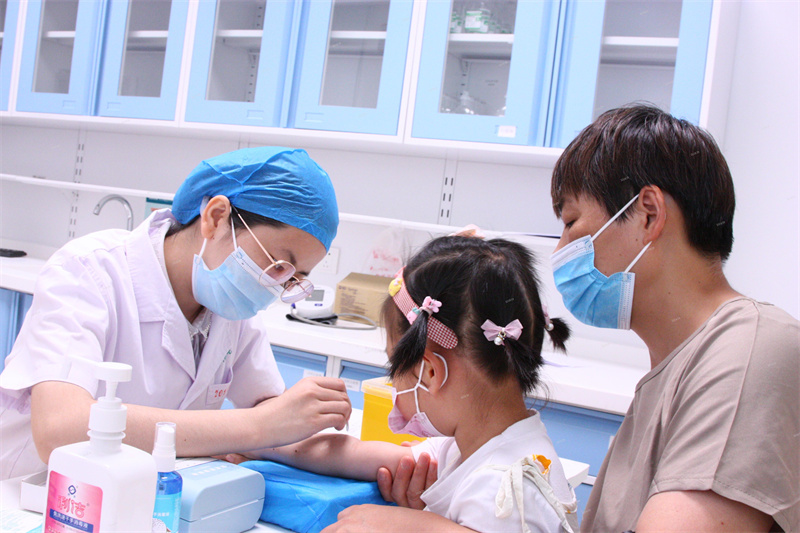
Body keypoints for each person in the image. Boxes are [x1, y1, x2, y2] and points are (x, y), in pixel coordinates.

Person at [0, 146, 352, 480]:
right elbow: (61, 429)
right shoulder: (89, 271)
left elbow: (280, 424)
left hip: (140, 496)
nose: (275, 287)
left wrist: (386, 459)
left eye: (292, 279)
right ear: (216, 217)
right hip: (32, 492)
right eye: (278, 265)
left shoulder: (232, 307)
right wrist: (258, 427)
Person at [549, 104, 799, 532]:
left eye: (571, 221)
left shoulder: (750, 352)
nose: (560, 250)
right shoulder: (673, 371)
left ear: (648, 213)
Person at [249, 235, 579, 533]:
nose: (393, 382)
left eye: (394, 367)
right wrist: (259, 445)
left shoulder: (504, 485)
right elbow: (356, 454)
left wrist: (406, 526)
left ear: (430, 372)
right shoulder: (472, 443)